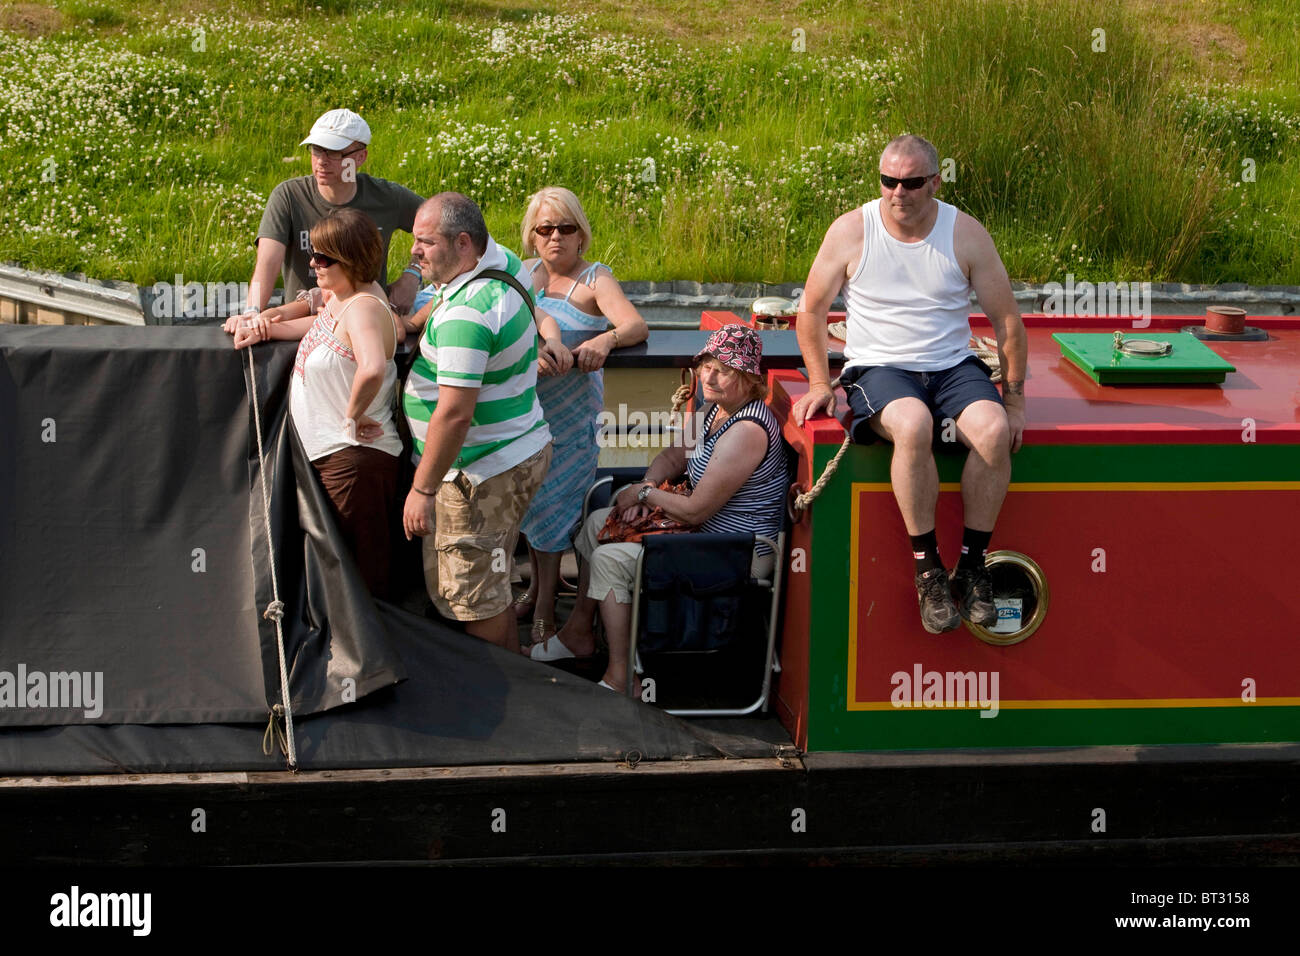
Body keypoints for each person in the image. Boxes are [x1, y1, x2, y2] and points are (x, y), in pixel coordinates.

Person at [791, 133, 1027, 634]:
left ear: (935, 182)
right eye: (888, 181)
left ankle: (970, 567)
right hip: (879, 366)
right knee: (914, 424)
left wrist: (1016, 400)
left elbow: (1006, 320)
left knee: (993, 430)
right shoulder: (852, 230)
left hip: (953, 365)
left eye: (912, 183)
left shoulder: (966, 233)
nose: (898, 193)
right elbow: (810, 311)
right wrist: (818, 382)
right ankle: (927, 571)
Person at [530, 325, 787, 694]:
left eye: (723, 370)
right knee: (597, 524)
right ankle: (579, 633)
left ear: (748, 378)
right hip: (700, 531)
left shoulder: (747, 430)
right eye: (706, 365)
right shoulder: (712, 408)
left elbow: (697, 510)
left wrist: (644, 496)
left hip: (734, 549)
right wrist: (645, 489)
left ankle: (622, 678)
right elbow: (672, 456)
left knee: (609, 559)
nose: (709, 376)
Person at [401, 193, 553, 653]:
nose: (414, 252)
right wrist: (415, 320)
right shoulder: (502, 262)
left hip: (478, 476)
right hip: (518, 449)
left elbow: (455, 412)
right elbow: (449, 292)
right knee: (493, 575)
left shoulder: (466, 316)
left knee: (475, 600)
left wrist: (423, 489)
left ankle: (502, 700)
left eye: (425, 243)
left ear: (463, 243)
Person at [233, 208, 402, 598]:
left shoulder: (362, 308)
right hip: (336, 461)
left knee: (358, 587)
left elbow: (373, 366)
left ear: (353, 259)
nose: (312, 264)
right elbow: (316, 327)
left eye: (324, 258)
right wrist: (262, 327)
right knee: (341, 581)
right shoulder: (341, 301)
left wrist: (351, 417)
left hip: (354, 462)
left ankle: (374, 658)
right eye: (314, 253)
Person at [512, 187, 649, 649]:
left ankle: (548, 613)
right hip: (528, 415)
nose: (556, 237)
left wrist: (603, 342)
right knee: (532, 511)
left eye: (566, 228)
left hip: (572, 424)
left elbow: (634, 325)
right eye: (545, 229)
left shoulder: (595, 278)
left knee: (554, 516)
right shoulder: (524, 274)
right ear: (531, 236)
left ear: (581, 234)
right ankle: (534, 589)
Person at [225, 109, 424, 331]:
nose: (322, 161)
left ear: (360, 157)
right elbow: (267, 262)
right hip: (299, 321)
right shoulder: (289, 197)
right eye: (317, 150)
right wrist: (252, 312)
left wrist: (412, 274)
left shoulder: (387, 197)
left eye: (334, 152)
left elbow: (445, 228)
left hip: (364, 322)